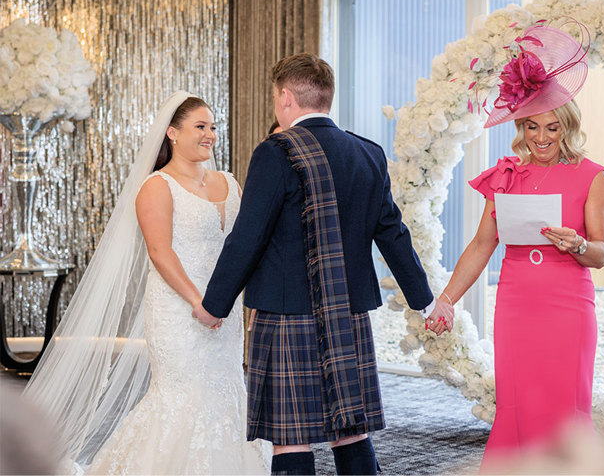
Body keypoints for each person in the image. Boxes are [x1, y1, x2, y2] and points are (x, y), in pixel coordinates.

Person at [192, 53, 453, 475]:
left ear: (285, 97)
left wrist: (214, 303)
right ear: (326, 98)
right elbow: (393, 235)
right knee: (351, 429)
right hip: (347, 312)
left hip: (286, 312)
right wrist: (426, 301)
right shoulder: (367, 153)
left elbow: (248, 238)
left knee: (291, 435)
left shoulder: (275, 152)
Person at [23, 92, 270, 475]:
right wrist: (199, 303)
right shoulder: (157, 186)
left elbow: (245, 247)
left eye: (213, 127)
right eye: (200, 127)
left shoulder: (230, 182)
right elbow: (160, 252)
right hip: (180, 310)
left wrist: (239, 301)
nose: (210, 135)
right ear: (172, 132)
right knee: (182, 396)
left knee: (226, 386)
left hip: (227, 310)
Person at [434, 22, 604, 471]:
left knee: (566, 408)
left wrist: (576, 244)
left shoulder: (592, 176)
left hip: (568, 308)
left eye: (552, 127)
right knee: (516, 405)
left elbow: (602, 254)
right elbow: (480, 246)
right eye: (532, 126)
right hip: (516, 307)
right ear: (521, 127)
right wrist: (447, 301)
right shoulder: (507, 176)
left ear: (567, 126)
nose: (542, 137)